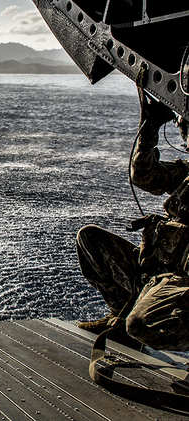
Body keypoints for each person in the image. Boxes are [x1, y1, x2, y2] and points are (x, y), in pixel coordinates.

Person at [77, 88, 189, 349]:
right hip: (154, 271)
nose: (183, 134)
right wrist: (149, 127)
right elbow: (143, 175)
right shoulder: (185, 175)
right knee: (89, 239)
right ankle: (120, 314)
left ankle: (131, 324)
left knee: (141, 325)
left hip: (180, 285)